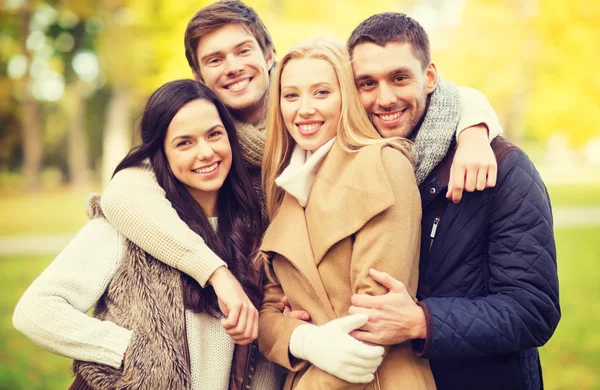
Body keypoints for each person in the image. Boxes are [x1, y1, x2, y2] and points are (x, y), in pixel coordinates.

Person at [97, 0, 504, 342]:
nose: (233, 66)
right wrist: (218, 275)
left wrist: (473, 126)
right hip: (264, 337)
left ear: (268, 54)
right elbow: (121, 194)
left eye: (242, 51)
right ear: (199, 77)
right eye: (214, 60)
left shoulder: (312, 124)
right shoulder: (207, 145)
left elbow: (412, 85)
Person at [13, 80, 279, 390]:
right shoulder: (132, 224)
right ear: (161, 154)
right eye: (184, 143)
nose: (206, 152)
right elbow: (36, 310)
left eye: (214, 134)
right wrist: (130, 350)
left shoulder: (259, 223)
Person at [343, 13, 560, 390]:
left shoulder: (502, 167)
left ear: (429, 77)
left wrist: (420, 322)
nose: (385, 98)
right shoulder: (352, 168)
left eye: (399, 77)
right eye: (367, 83)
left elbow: (533, 310)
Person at [257, 37, 436, 390]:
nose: (304, 109)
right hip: (311, 375)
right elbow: (267, 314)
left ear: (347, 97)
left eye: (321, 92)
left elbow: (374, 322)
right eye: (291, 95)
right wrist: (303, 340)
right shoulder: (286, 187)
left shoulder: (381, 163)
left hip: (378, 379)